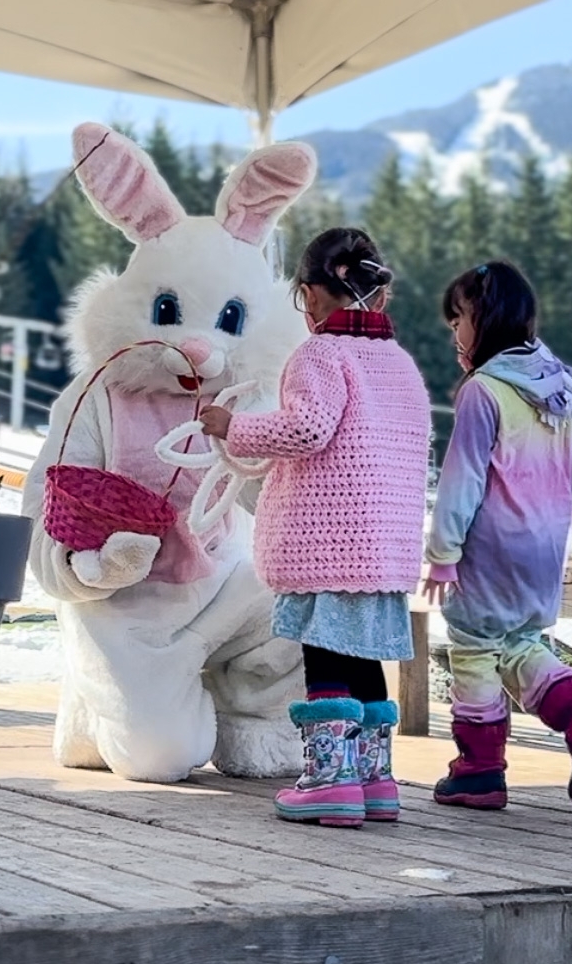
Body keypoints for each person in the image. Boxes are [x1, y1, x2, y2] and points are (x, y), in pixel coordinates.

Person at [200, 227, 432, 828]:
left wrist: (233, 427)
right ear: (375, 294)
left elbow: (307, 429)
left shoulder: (322, 354)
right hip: (382, 549)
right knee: (364, 663)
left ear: (309, 293)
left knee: (325, 660)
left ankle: (330, 781)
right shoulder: (401, 364)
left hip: (326, 544)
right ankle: (375, 782)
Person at [423, 260, 572, 810]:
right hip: (544, 547)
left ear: (486, 320)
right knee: (519, 643)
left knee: (472, 647)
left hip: (492, 548)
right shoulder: (555, 386)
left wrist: (443, 553)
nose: (455, 333)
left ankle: (479, 769)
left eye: (458, 321)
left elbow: (463, 479)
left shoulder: (484, 391)